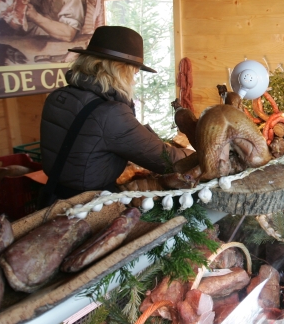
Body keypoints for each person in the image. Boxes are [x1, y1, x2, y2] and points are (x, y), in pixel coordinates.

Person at [40, 25, 192, 200]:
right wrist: (199, 154)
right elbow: (168, 161)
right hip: (89, 205)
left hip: (54, 196)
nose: (134, 78)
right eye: (133, 71)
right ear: (120, 69)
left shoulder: (58, 96)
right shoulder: (110, 113)